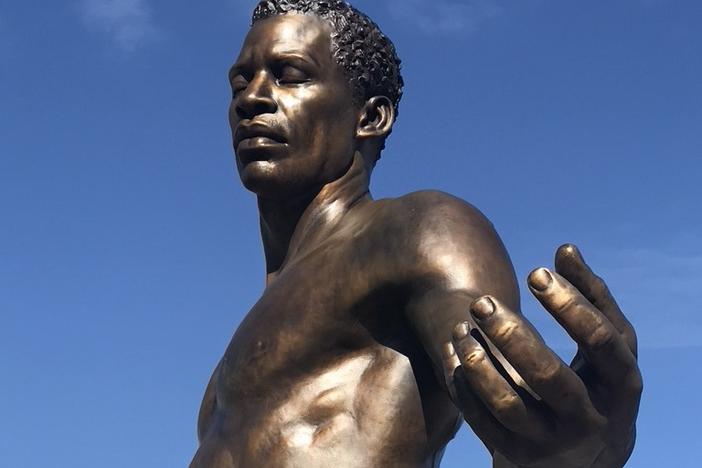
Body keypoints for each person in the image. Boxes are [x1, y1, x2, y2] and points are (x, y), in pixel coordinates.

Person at [191, 1, 642, 466]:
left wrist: (562, 443)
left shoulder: (418, 229)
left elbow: (501, 389)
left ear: (370, 118)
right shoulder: (231, 360)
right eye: (240, 82)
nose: (252, 97)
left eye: (289, 74)